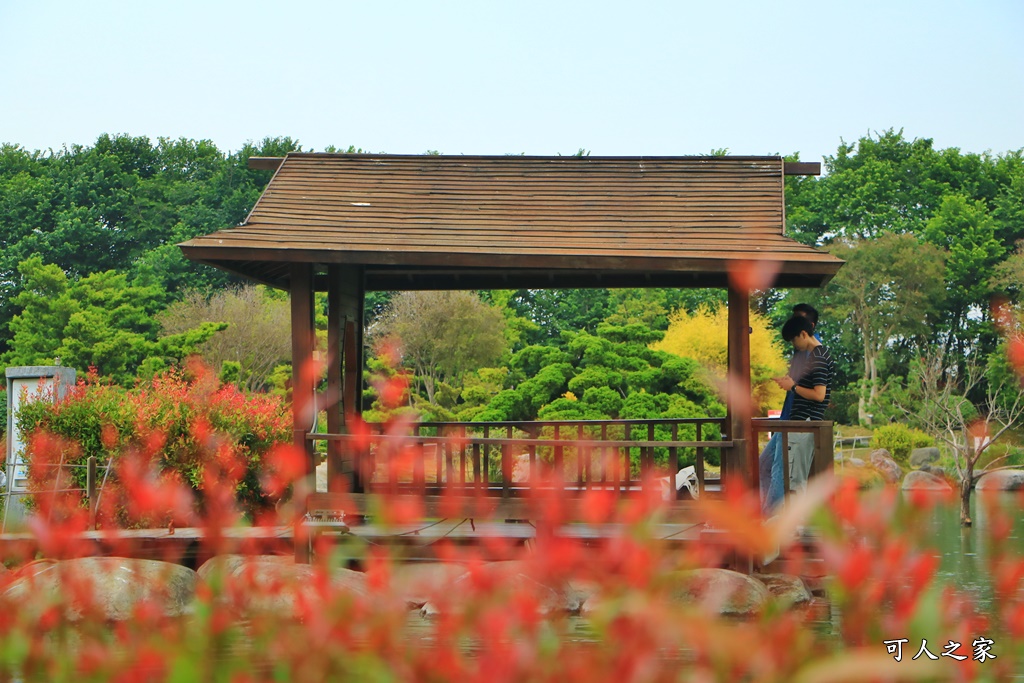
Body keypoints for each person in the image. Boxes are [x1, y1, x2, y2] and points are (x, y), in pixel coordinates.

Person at [759, 314, 834, 515]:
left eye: (794, 339)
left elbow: (819, 395)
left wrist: (792, 387)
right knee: (765, 466)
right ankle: (767, 516)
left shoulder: (819, 356)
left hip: (804, 424)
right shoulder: (815, 356)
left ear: (803, 334)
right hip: (793, 423)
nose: (794, 344)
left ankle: (778, 523)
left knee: (789, 478)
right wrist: (791, 384)